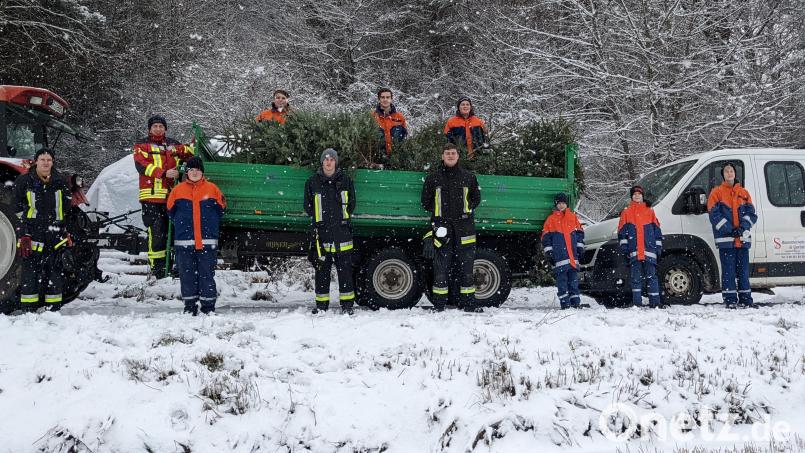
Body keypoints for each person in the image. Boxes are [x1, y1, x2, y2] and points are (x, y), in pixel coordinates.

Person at [421, 142, 482, 312]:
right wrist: (441, 214)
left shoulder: (469, 177)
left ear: (458, 156)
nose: (450, 155)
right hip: (442, 230)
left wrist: (466, 209)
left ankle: (468, 304)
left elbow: (476, 199)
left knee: (467, 269)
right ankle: (439, 305)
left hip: (465, 229)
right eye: (447, 153)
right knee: (440, 269)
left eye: (453, 153)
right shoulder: (433, 178)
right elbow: (425, 202)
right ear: (442, 156)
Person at [133, 115, 195, 279]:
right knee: (157, 234)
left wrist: (195, 143)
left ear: (165, 128)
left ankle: (173, 266)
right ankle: (157, 270)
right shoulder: (142, 145)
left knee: (174, 233)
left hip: (171, 198)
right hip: (151, 198)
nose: (158, 129)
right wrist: (163, 173)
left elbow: (190, 152)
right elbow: (141, 165)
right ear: (150, 129)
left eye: (161, 126)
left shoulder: (173, 145)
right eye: (155, 126)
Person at [12, 148, 72, 312]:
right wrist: (24, 233)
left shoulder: (61, 182)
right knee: (30, 273)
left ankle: (53, 309)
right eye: (43, 159)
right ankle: (29, 310)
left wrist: (65, 232)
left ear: (53, 162)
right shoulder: (24, 181)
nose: (46, 163)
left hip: (56, 233)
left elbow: (66, 208)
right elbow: (17, 209)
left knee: (54, 272)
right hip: (32, 234)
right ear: (36, 161)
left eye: (49, 160)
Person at [167, 157, 226, 315]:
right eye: (191, 170)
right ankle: (190, 306)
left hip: (207, 242)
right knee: (187, 275)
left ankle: (208, 308)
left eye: (197, 170)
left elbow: (221, 209)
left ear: (202, 172)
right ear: (187, 172)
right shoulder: (177, 190)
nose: (194, 172)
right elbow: (170, 212)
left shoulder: (212, 189)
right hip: (184, 243)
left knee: (207, 274)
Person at [303, 148, 357, 315]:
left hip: (342, 234)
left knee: (345, 272)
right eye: (325, 159)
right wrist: (321, 222)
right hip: (322, 234)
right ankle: (321, 307)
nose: (328, 161)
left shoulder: (346, 181)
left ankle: (347, 307)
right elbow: (308, 206)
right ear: (322, 162)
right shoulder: (312, 182)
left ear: (335, 162)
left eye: (331, 159)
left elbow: (352, 203)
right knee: (322, 271)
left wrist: (341, 220)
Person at [707, 162, 757, 308]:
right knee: (728, 271)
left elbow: (751, 214)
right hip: (726, 240)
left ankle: (746, 299)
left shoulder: (744, 193)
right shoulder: (716, 192)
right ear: (723, 174)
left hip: (742, 239)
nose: (729, 173)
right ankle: (730, 300)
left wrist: (742, 228)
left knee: (743, 271)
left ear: (735, 174)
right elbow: (713, 214)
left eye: (731, 171)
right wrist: (729, 229)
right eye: (727, 171)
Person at [618, 185, 665, 308]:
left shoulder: (650, 211)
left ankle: (655, 302)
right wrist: (625, 249)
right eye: (635, 194)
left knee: (652, 277)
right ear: (632, 196)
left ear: (642, 196)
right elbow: (622, 233)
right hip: (634, 252)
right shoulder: (626, 212)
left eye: (639, 193)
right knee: (635, 279)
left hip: (649, 251)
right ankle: (637, 304)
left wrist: (658, 248)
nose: (637, 195)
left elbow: (657, 231)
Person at [541, 193, 584, 309]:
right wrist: (549, 252)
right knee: (562, 283)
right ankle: (565, 304)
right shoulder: (551, 219)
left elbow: (580, 232)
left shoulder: (573, 217)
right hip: (560, 257)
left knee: (574, 282)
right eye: (559, 203)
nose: (561, 205)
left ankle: (575, 303)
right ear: (556, 204)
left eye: (563, 203)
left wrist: (580, 247)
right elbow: (545, 237)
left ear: (566, 204)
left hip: (572, 258)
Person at [371, 88, 408, 159]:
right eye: (382, 97)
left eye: (388, 97)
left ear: (391, 99)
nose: (385, 99)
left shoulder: (400, 117)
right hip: (375, 159)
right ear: (379, 99)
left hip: (396, 158)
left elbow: (405, 138)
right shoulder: (371, 116)